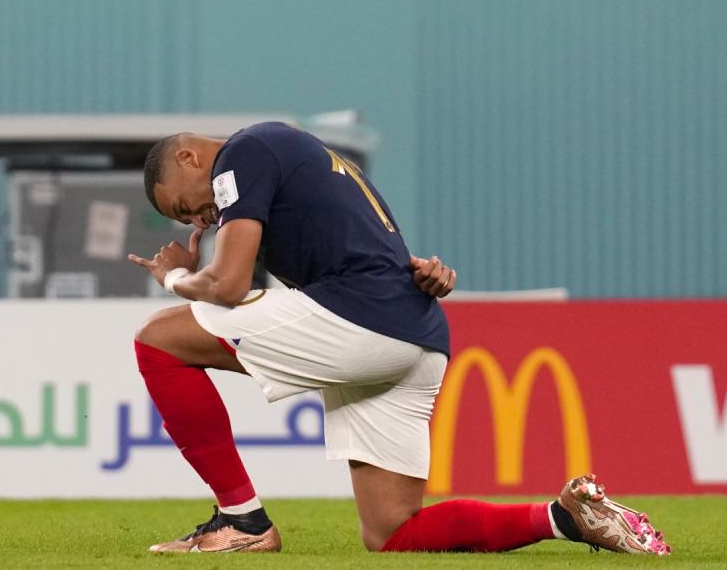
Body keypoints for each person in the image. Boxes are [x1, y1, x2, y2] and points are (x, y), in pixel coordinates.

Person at [127, 122, 670, 555]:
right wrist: (427, 272)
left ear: (190, 159)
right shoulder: (293, 158)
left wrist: (173, 275)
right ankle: (568, 518)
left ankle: (241, 519)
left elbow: (227, 285)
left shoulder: (240, 156)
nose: (201, 216)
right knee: (392, 532)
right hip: (416, 334)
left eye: (185, 206)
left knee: (157, 341)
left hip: (364, 321)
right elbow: (362, 249)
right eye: (189, 219)